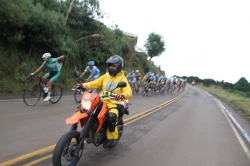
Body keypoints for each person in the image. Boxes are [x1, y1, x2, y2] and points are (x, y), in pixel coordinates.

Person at [78, 55, 132, 148]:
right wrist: (83, 85)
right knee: (85, 109)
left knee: (111, 117)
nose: (111, 67)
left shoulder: (122, 78)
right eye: (110, 65)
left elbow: (129, 92)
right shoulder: (105, 76)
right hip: (102, 99)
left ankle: (111, 138)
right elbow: (95, 83)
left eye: (114, 66)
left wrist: (122, 95)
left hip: (114, 102)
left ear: (119, 66)